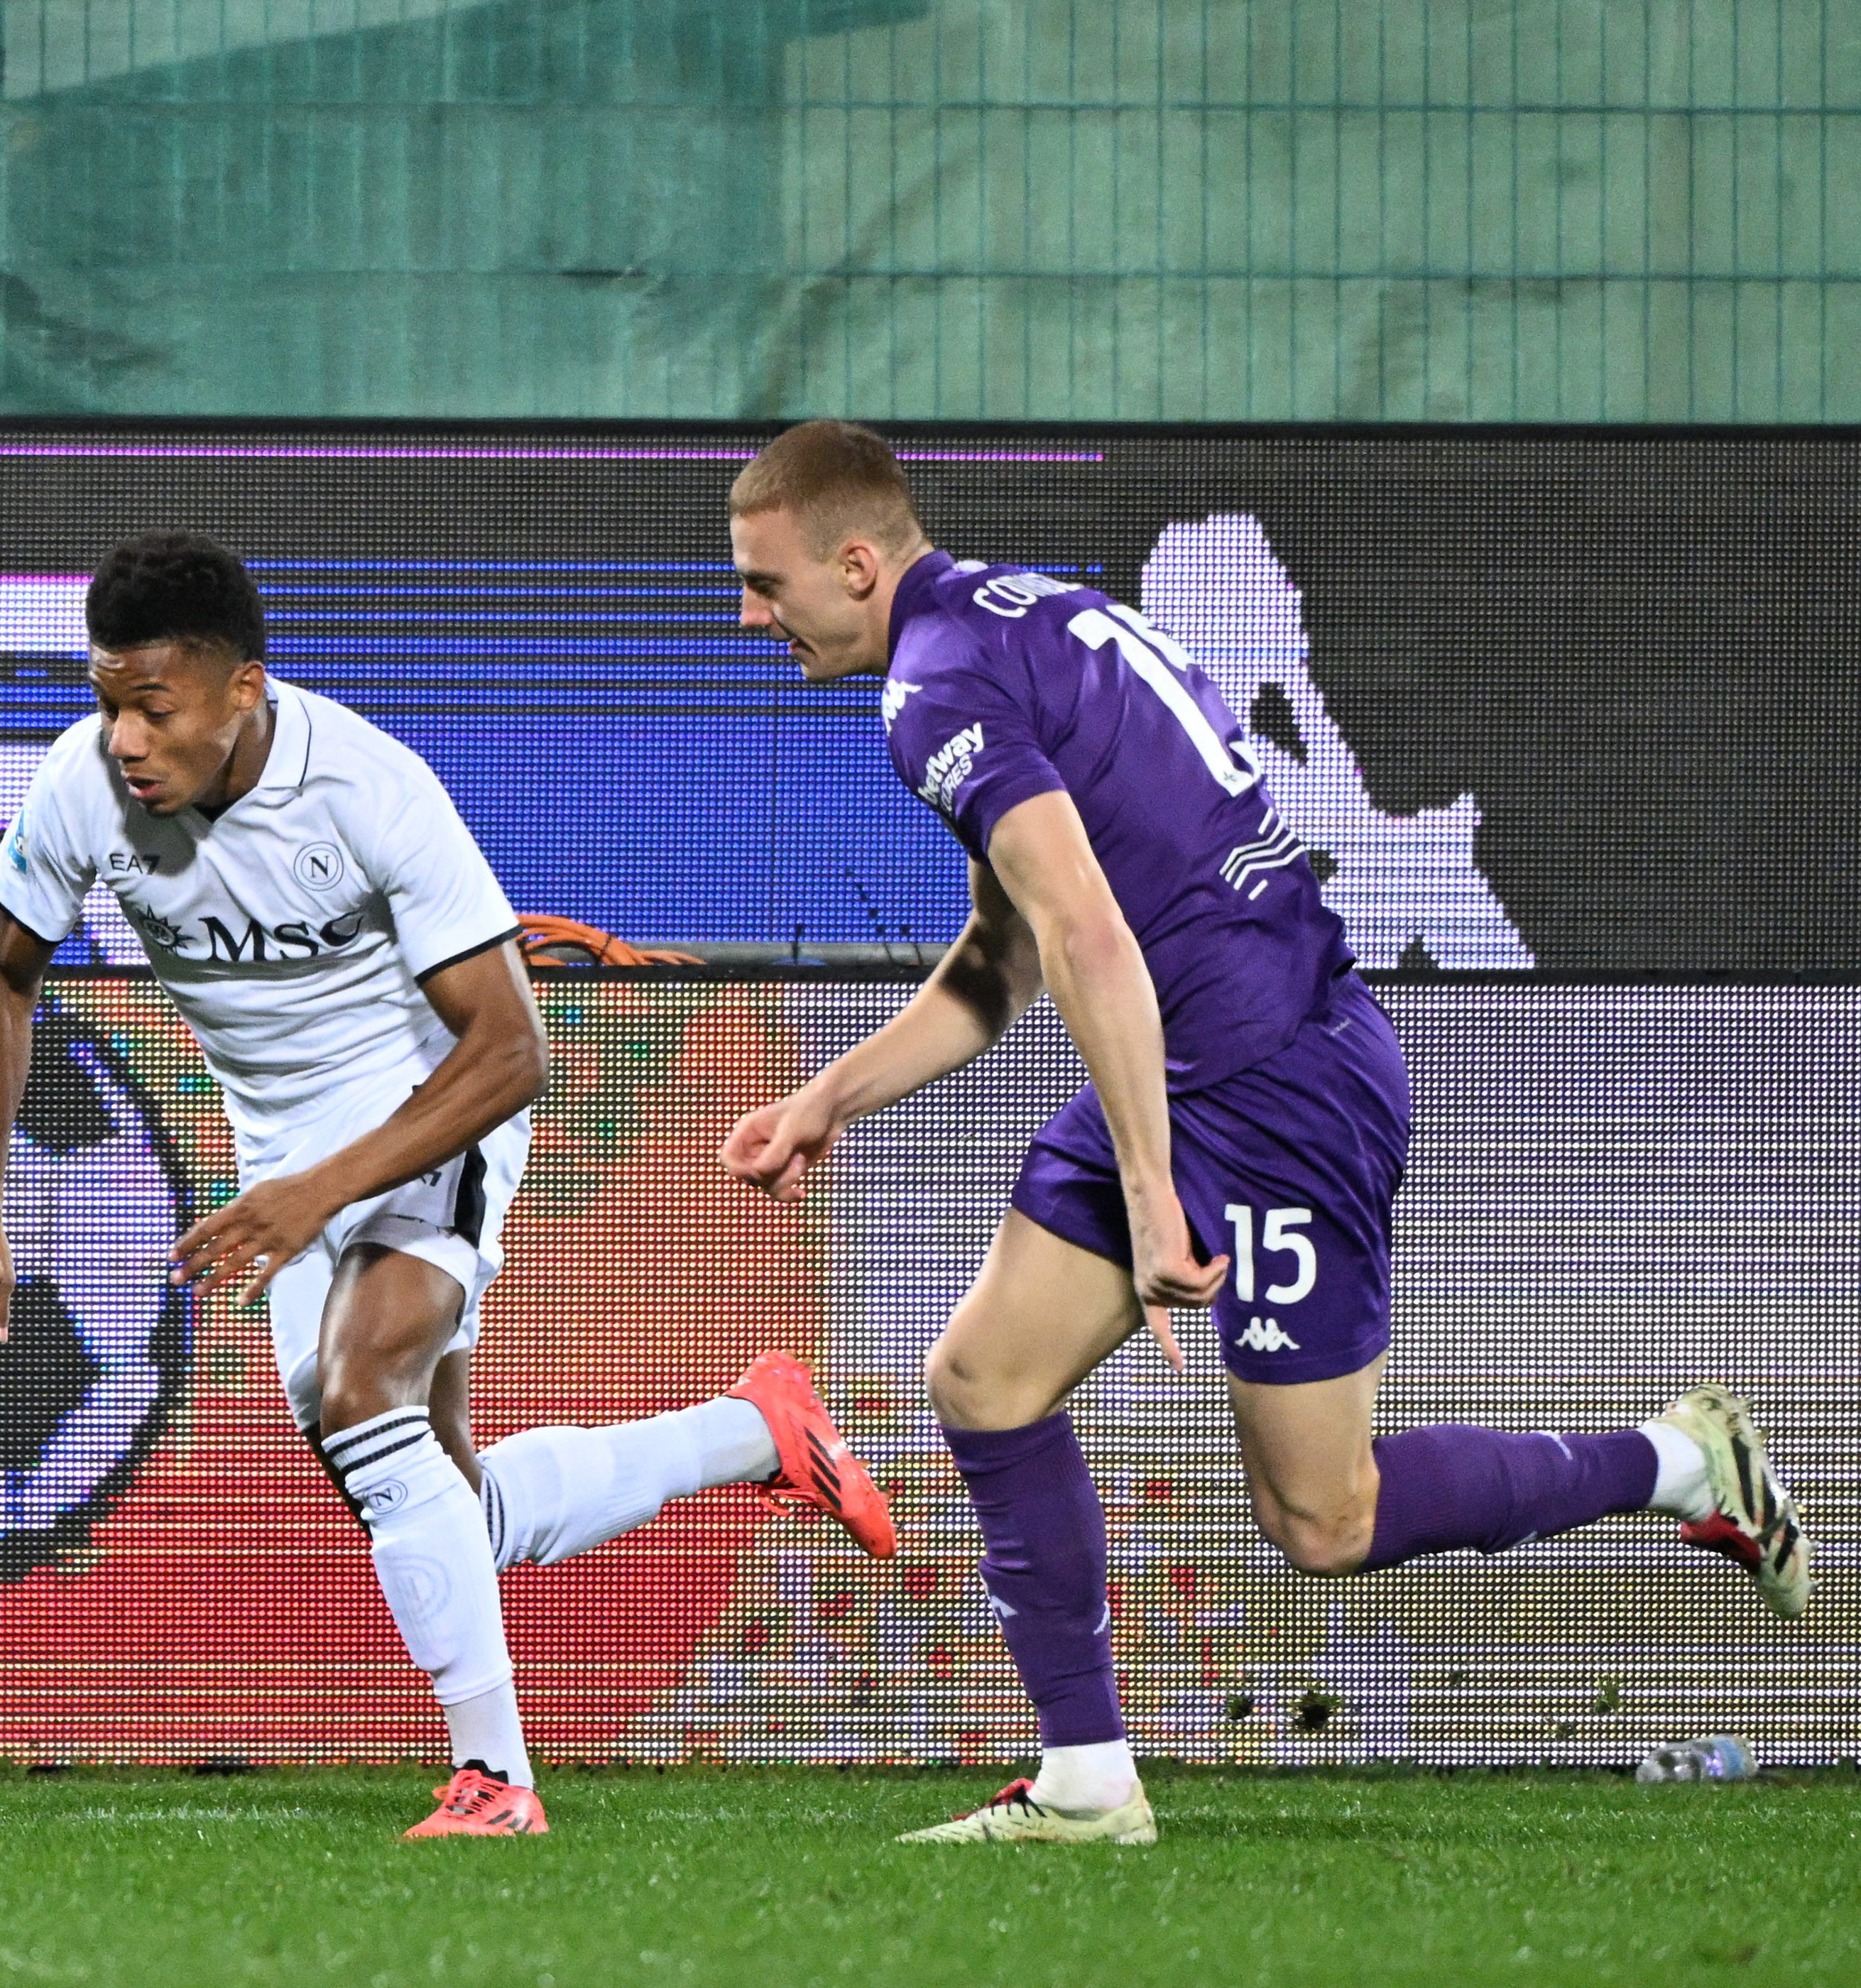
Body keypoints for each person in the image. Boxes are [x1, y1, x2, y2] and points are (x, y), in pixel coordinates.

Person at [717, 422, 1810, 1846]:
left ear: (855, 563)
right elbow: (1013, 956)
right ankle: (1089, 1781)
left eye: (764, 581)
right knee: (985, 1379)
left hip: (1277, 1087)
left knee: (1324, 1519)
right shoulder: (1025, 613)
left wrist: (1158, 1194)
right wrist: (822, 1100)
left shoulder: (935, 689)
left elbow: (1092, 938)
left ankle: (1681, 1461)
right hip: (1198, 1064)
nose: (752, 614)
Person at [0, 530, 897, 1838]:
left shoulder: (372, 791)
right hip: (282, 1154)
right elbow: (2, 973)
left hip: (430, 1107)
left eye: (151, 708)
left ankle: (497, 1781)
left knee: (360, 1388)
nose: (122, 740)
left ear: (242, 691)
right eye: (107, 702)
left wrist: (322, 1191)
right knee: (440, 1499)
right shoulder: (78, 790)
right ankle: (748, 1433)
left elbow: (513, 1050)